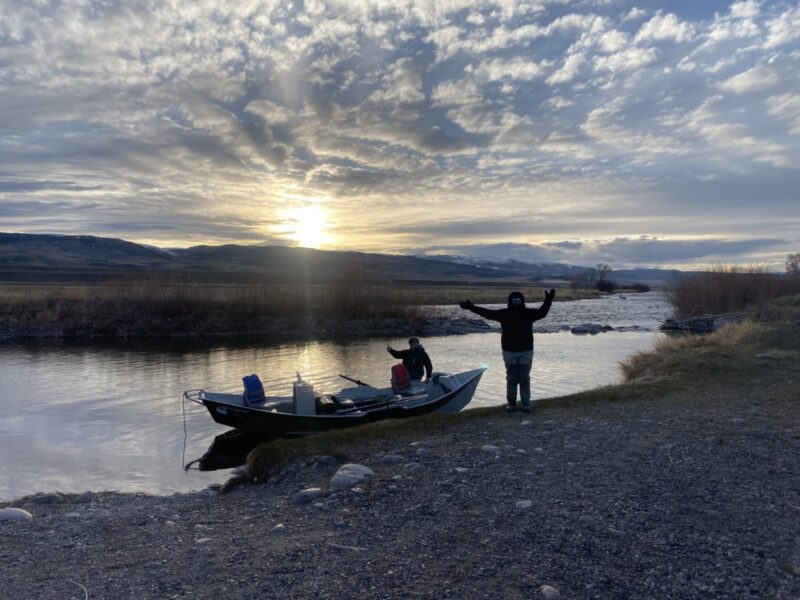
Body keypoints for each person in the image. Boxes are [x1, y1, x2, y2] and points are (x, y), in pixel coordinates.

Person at [459, 289, 556, 413]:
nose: (516, 301)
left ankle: (526, 404)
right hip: (509, 351)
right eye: (514, 299)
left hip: (526, 351)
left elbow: (542, 313)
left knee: (524, 378)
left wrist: (548, 301)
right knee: (511, 378)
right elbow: (486, 312)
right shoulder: (503, 314)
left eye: (518, 299)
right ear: (510, 301)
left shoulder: (529, 313)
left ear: (522, 301)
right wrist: (471, 307)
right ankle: (511, 403)